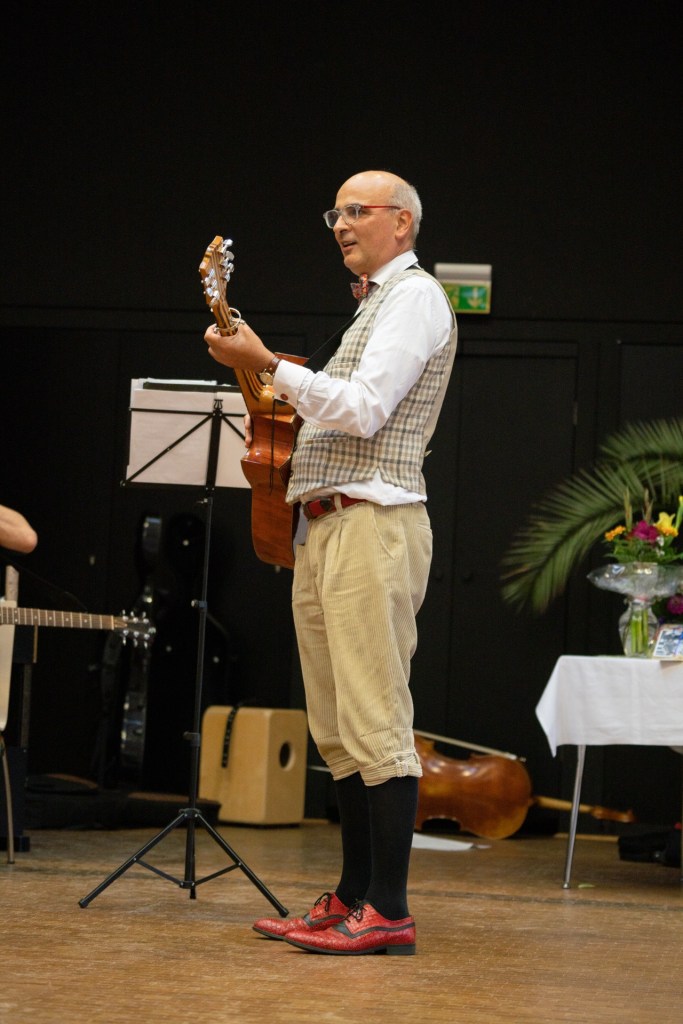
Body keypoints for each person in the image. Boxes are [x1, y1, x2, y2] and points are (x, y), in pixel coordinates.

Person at [204, 169, 457, 956]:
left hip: (371, 523)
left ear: (401, 224)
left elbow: (365, 409)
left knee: (375, 719)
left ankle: (389, 911)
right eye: (335, 213)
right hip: (324, 528)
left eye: (357, 211)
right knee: (339, 729)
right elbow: (318, 409)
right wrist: (256, 365)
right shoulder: (370, 306)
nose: (341, 224)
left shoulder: (414, 298)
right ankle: (352, 896)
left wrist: (267, 362)